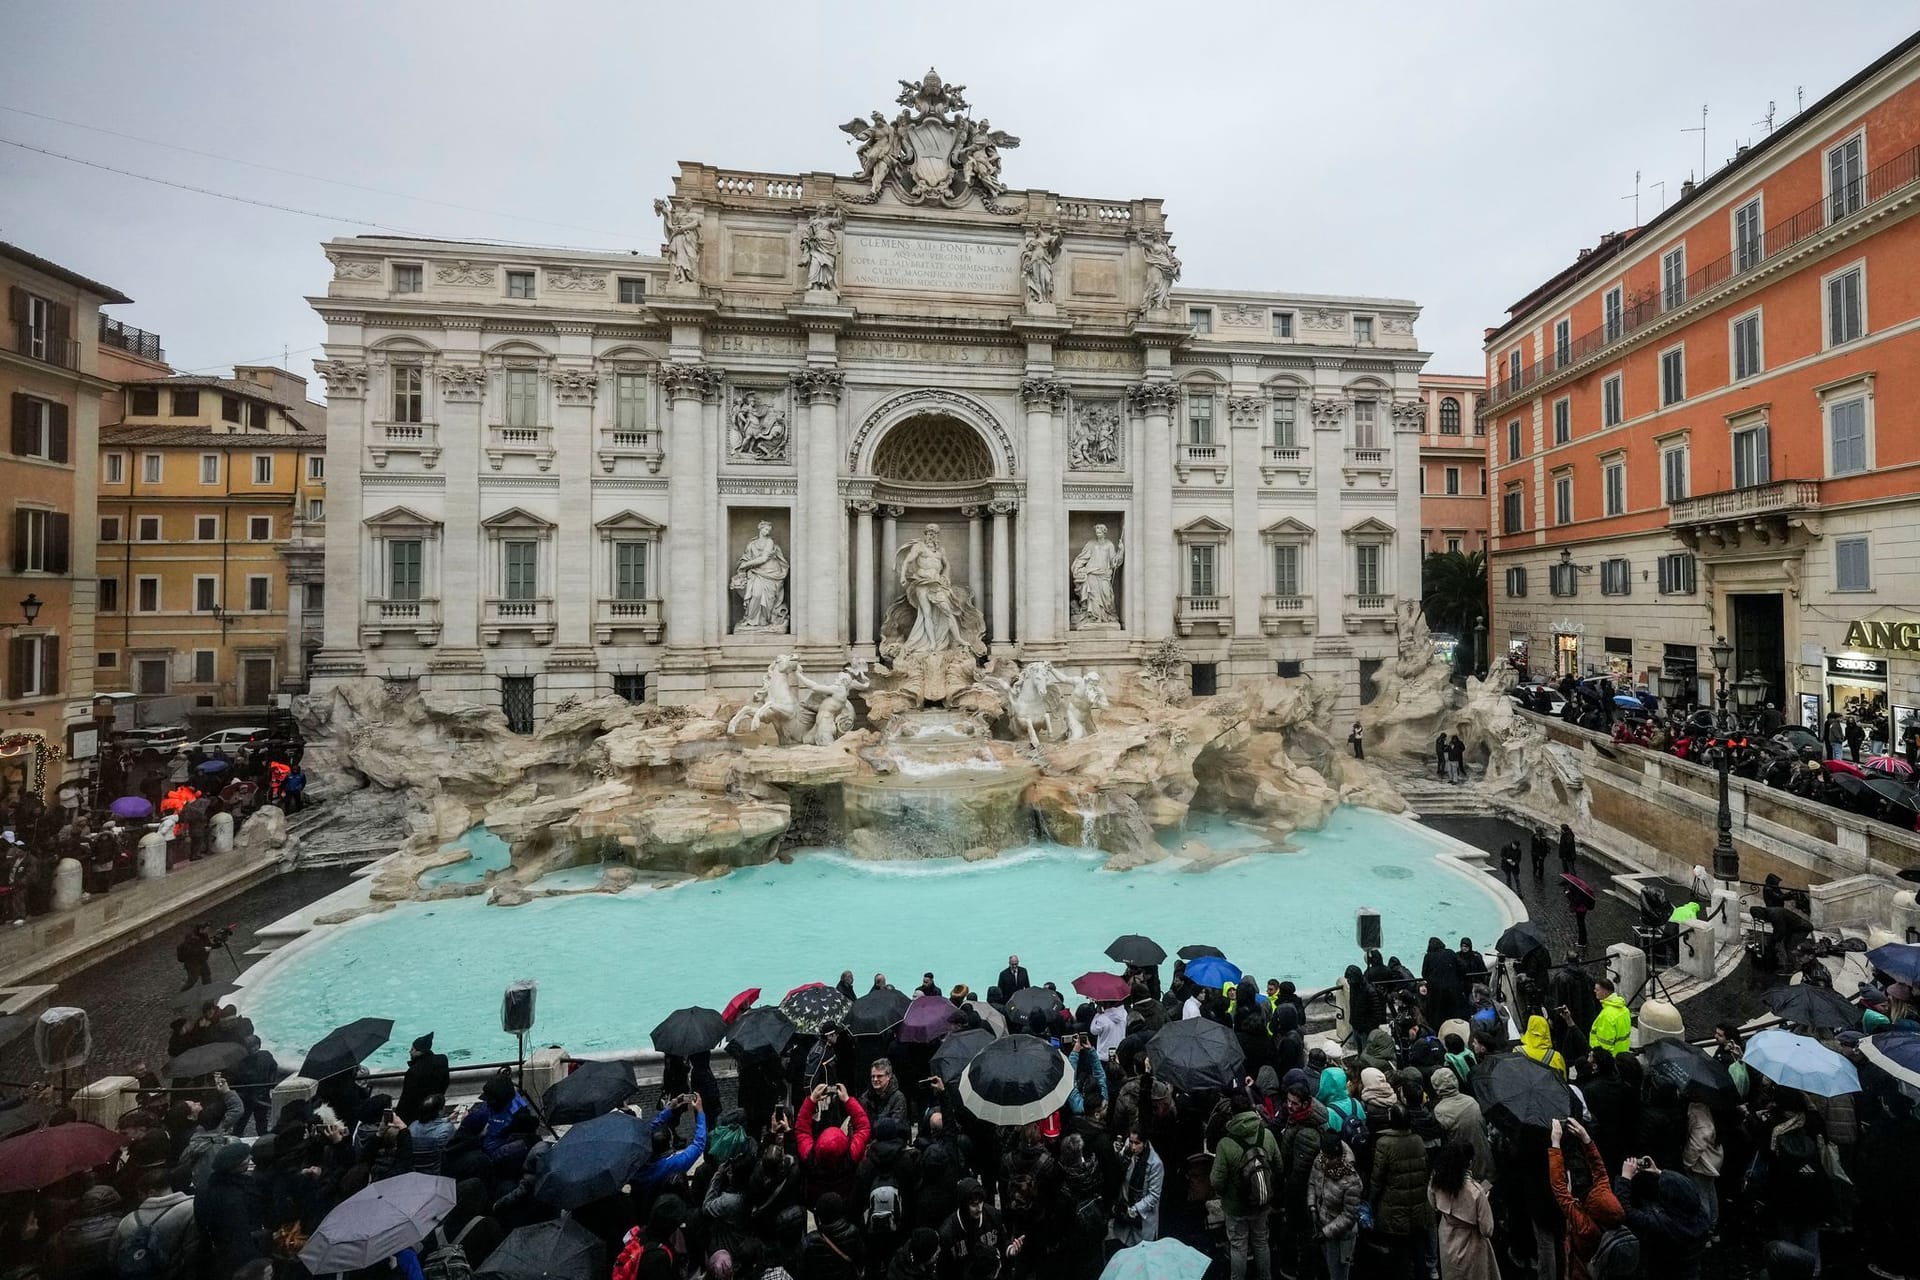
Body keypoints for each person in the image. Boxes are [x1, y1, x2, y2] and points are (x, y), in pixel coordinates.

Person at [1211, 1096, 1282, 1280]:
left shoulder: (1225, 1144)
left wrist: (1225, 1193)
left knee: (1238, 1245)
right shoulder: (1267, 1135)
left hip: (1236, 1207)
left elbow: (1216, 1181)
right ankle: (1265, 1276)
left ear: (1232, 1114)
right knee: (1261, 1241)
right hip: (1262, 1202)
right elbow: (1279, 1166)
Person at [1548, 1117, 1625, 1280]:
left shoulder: (1586, 1228)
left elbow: (1560, 1190)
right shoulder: (1612, 1208)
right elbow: (1600, 1170)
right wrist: (1586, 1138)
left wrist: (1555, 1145)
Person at [1429, 1131, 1496, 1280]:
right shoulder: (1476, 1191)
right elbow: (1487, 1230)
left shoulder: (1437, 1180)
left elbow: (1432, 1203)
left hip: (1446, 1236)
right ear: (1469, 1162)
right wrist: (1485, 1202)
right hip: (1472, 1242)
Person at [1310, 1129, 1365, 1280]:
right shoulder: (1320, 1160)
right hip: (1322, 1225)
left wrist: (1326, 1233)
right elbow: (1312, 1183)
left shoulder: (1351, 1179)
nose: (1326, 1162)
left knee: (1339, 1274)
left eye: (1330, 1158)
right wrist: (1313, 1208)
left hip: (1341, 1237)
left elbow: (1349, 1215)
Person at [1108, 1129, 1163, 1248]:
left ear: (1145, 1143)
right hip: (1125, 1213)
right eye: (1131, 1142)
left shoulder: (1155, 1164)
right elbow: (1120, 1172)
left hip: (1142, 1219)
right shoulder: (1128, 1153)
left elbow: (1154, 1195)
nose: (1133, 1147)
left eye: (1137, 1143)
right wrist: (1117, 1154)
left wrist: (1135, 1209)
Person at [396, 1031, 449, 1124]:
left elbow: (407, 1098)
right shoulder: (442, 1059)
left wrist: (398, 1116)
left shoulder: (414, 1071)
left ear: (419, 1051)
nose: (410, 1051)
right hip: (437, 1102)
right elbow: (446, 1081)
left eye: (412, 1049)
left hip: (418, 1112)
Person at [860, 1058, 911, 1130]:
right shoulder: (865, 1098)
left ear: (888, 1076)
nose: (875, 1079)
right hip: (868, 1137)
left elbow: (895, 1126)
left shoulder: (898, 1098)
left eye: (879, 1076)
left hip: (891, 1138)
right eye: (873, 1076)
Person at [1589, 978, 1631, 1057]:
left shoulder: (1606, 1015)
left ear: (1605, 992)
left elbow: (1605, 1045)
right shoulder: (1625, 1009)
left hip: (1610, 1058)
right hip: (1623, 1053)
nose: (1594, 991)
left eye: (1597, 990)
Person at [176, 924, 215, 990]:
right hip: (192, 963)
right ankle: (183, 994)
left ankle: (208, 993)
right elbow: (191, 951)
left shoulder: (204, 935)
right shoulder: (192, 937)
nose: (208, 930)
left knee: (206, 975)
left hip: (201, 960)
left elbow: (208, 945)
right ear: (201, 929)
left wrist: (215, 945)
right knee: (193, 980)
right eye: (206, 929)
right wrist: (204, 949)